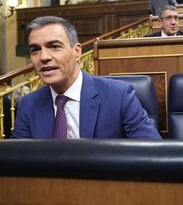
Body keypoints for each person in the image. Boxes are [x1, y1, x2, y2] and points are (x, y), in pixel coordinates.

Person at [12, 16, 161, 139]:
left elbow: (152, 153)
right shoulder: (29, 104)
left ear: (77, 52)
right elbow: (16, 163)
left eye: (54, 46)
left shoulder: (119, 95)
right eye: (35, 50)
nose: (43, 57)